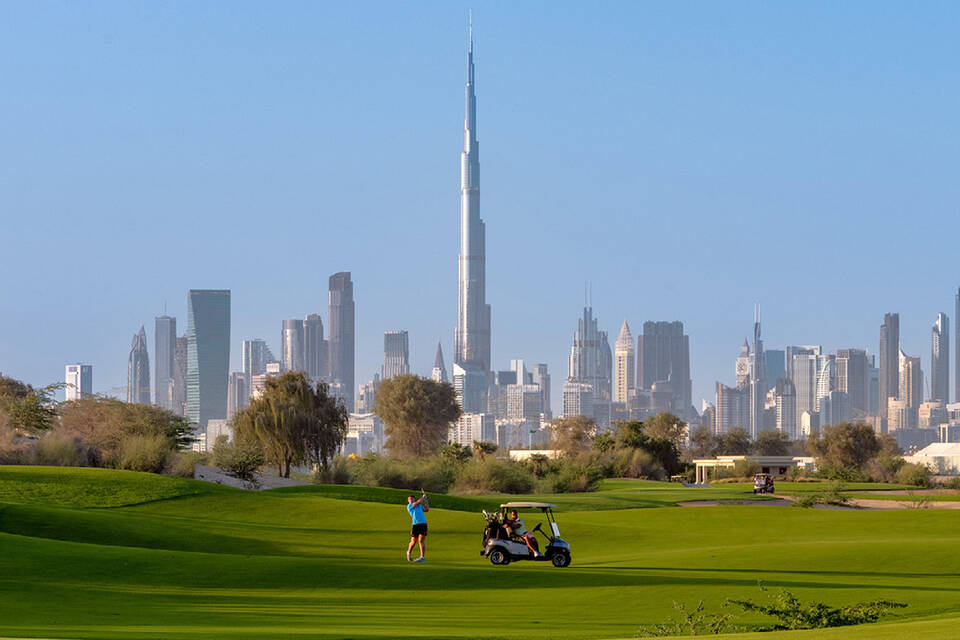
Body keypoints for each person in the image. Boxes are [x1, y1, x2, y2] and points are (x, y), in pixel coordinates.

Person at [406, 492, 428, 562]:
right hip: (416, 525)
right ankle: (409, 552)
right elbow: (418, 502)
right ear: (408, 501)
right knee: (413, 541)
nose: (411, 500)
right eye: (410, 499)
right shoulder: (409, 506)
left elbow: (426, 509)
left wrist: (426, 501)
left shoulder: (419, 505)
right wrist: (423, 497)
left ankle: (422, 557)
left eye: (412, 499)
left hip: (423, 524)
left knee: (421, 541)